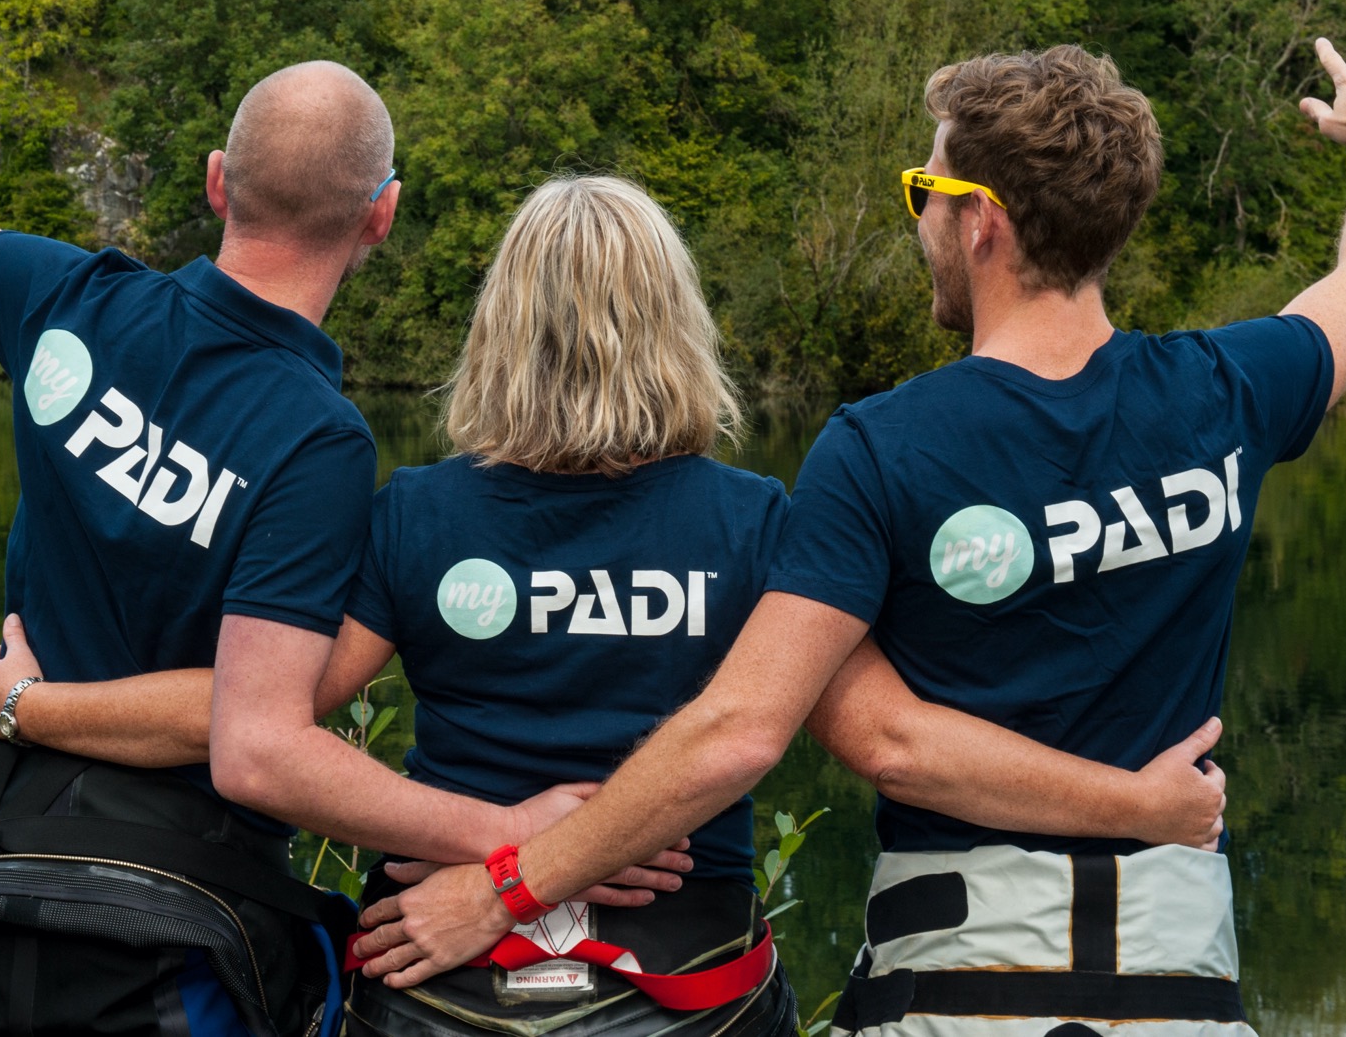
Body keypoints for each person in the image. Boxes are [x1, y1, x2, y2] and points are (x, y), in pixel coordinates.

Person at [350, 33, 1346, 1037]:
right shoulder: (1223, 392)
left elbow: (848, 736)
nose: (913, 215)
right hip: (1174, 972)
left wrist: (509, 879)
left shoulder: (881, 447)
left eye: (923, 188)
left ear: (980, 222)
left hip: (952, 974)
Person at [0, 0, 645, 1037]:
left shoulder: (69, 300)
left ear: (213, 181)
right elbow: (260, 737)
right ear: (380, 219)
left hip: (4, 858)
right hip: (170, 916)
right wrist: (514, 832)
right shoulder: (315, 441)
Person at [297, 175, 1225, 1037]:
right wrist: (1134, 800)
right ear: (675, 326)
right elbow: (886, 734)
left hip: (441, 958)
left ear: (497, 326)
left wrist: (481, 845)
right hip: (691, 985)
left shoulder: (411, 511)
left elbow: (277, 734)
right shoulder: (757, 524)